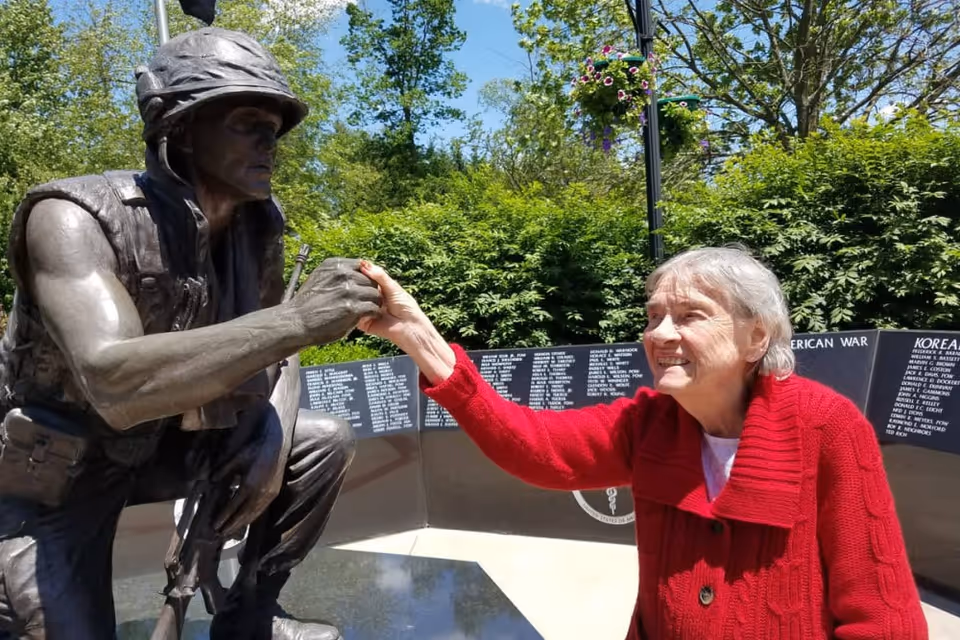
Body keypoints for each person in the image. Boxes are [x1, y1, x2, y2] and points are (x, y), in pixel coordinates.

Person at [0, 28, 381, 640]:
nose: (270, 141)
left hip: (166, 447)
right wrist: (296, 321)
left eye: (275, 126)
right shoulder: (72, 217)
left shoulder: (256, 227)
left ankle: (250, 616)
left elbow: (276, 355)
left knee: (319, 441)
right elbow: (112, 378)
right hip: (55, 476)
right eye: (247, 121)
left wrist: (268, 440)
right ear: (177, 127)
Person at [356, 246, 929, 640]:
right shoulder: (651, 422)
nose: (660, 334)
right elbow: (535, 447)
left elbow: (881, 613)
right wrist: (415, 334)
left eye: (689, 316)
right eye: (653, 317)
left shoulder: (826, 426)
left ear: (757, 335)